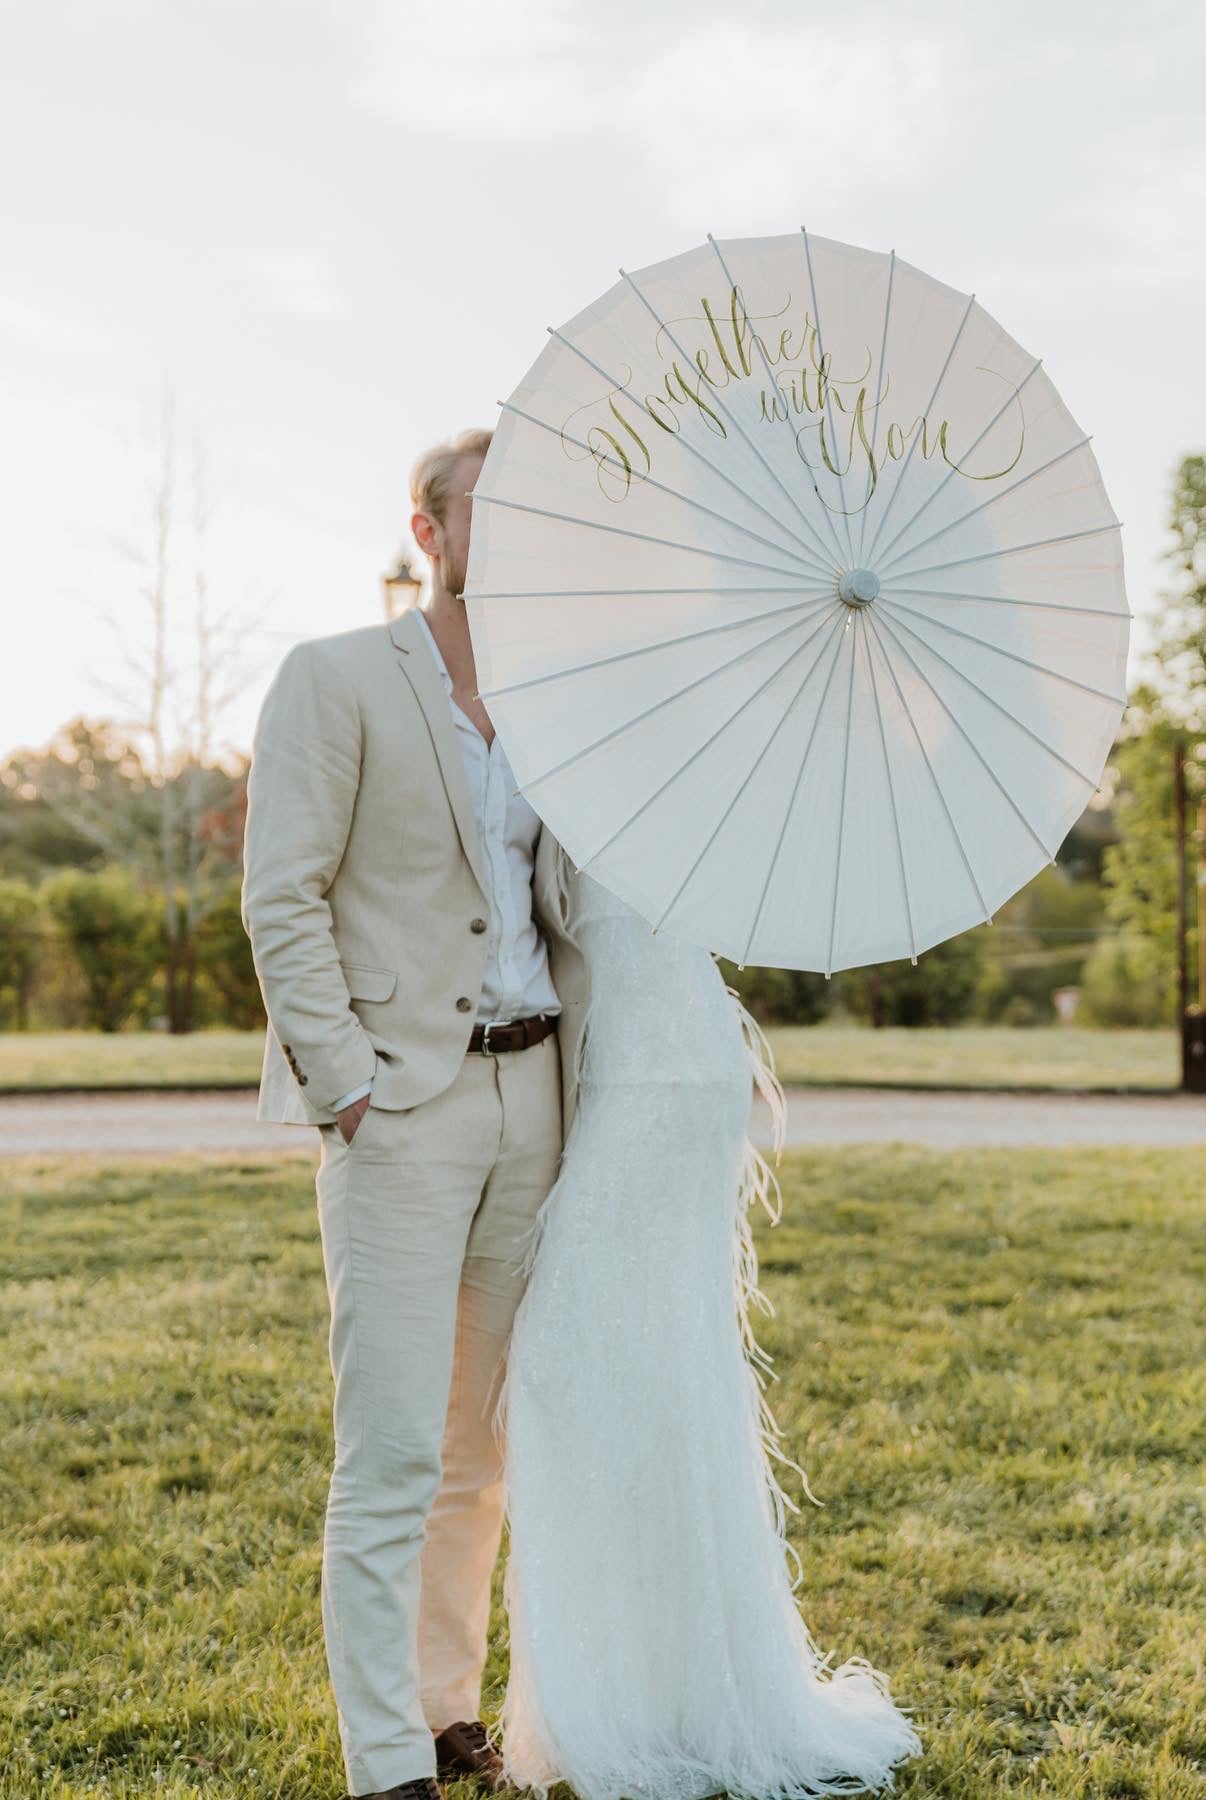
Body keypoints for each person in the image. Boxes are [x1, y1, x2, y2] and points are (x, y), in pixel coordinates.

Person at [241, 427, 590, 1800]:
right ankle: (383, 1758)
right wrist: (350, 1089)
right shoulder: (335, 680)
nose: (510, 533)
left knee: (484, 1453)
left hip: (536, 1097)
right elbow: (284, 894)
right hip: (399, 1110)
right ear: (430, 530)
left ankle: (448, 1711)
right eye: (485, 511)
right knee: (389, 1447)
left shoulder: (562, 701)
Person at [492, 862, 924, 1795]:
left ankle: (631, 1699)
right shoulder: (629, 754)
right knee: (654, 1370)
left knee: (574, 1364)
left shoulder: (618, 754)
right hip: (651, 1057)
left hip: (659, 1071)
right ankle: (663, 1686)